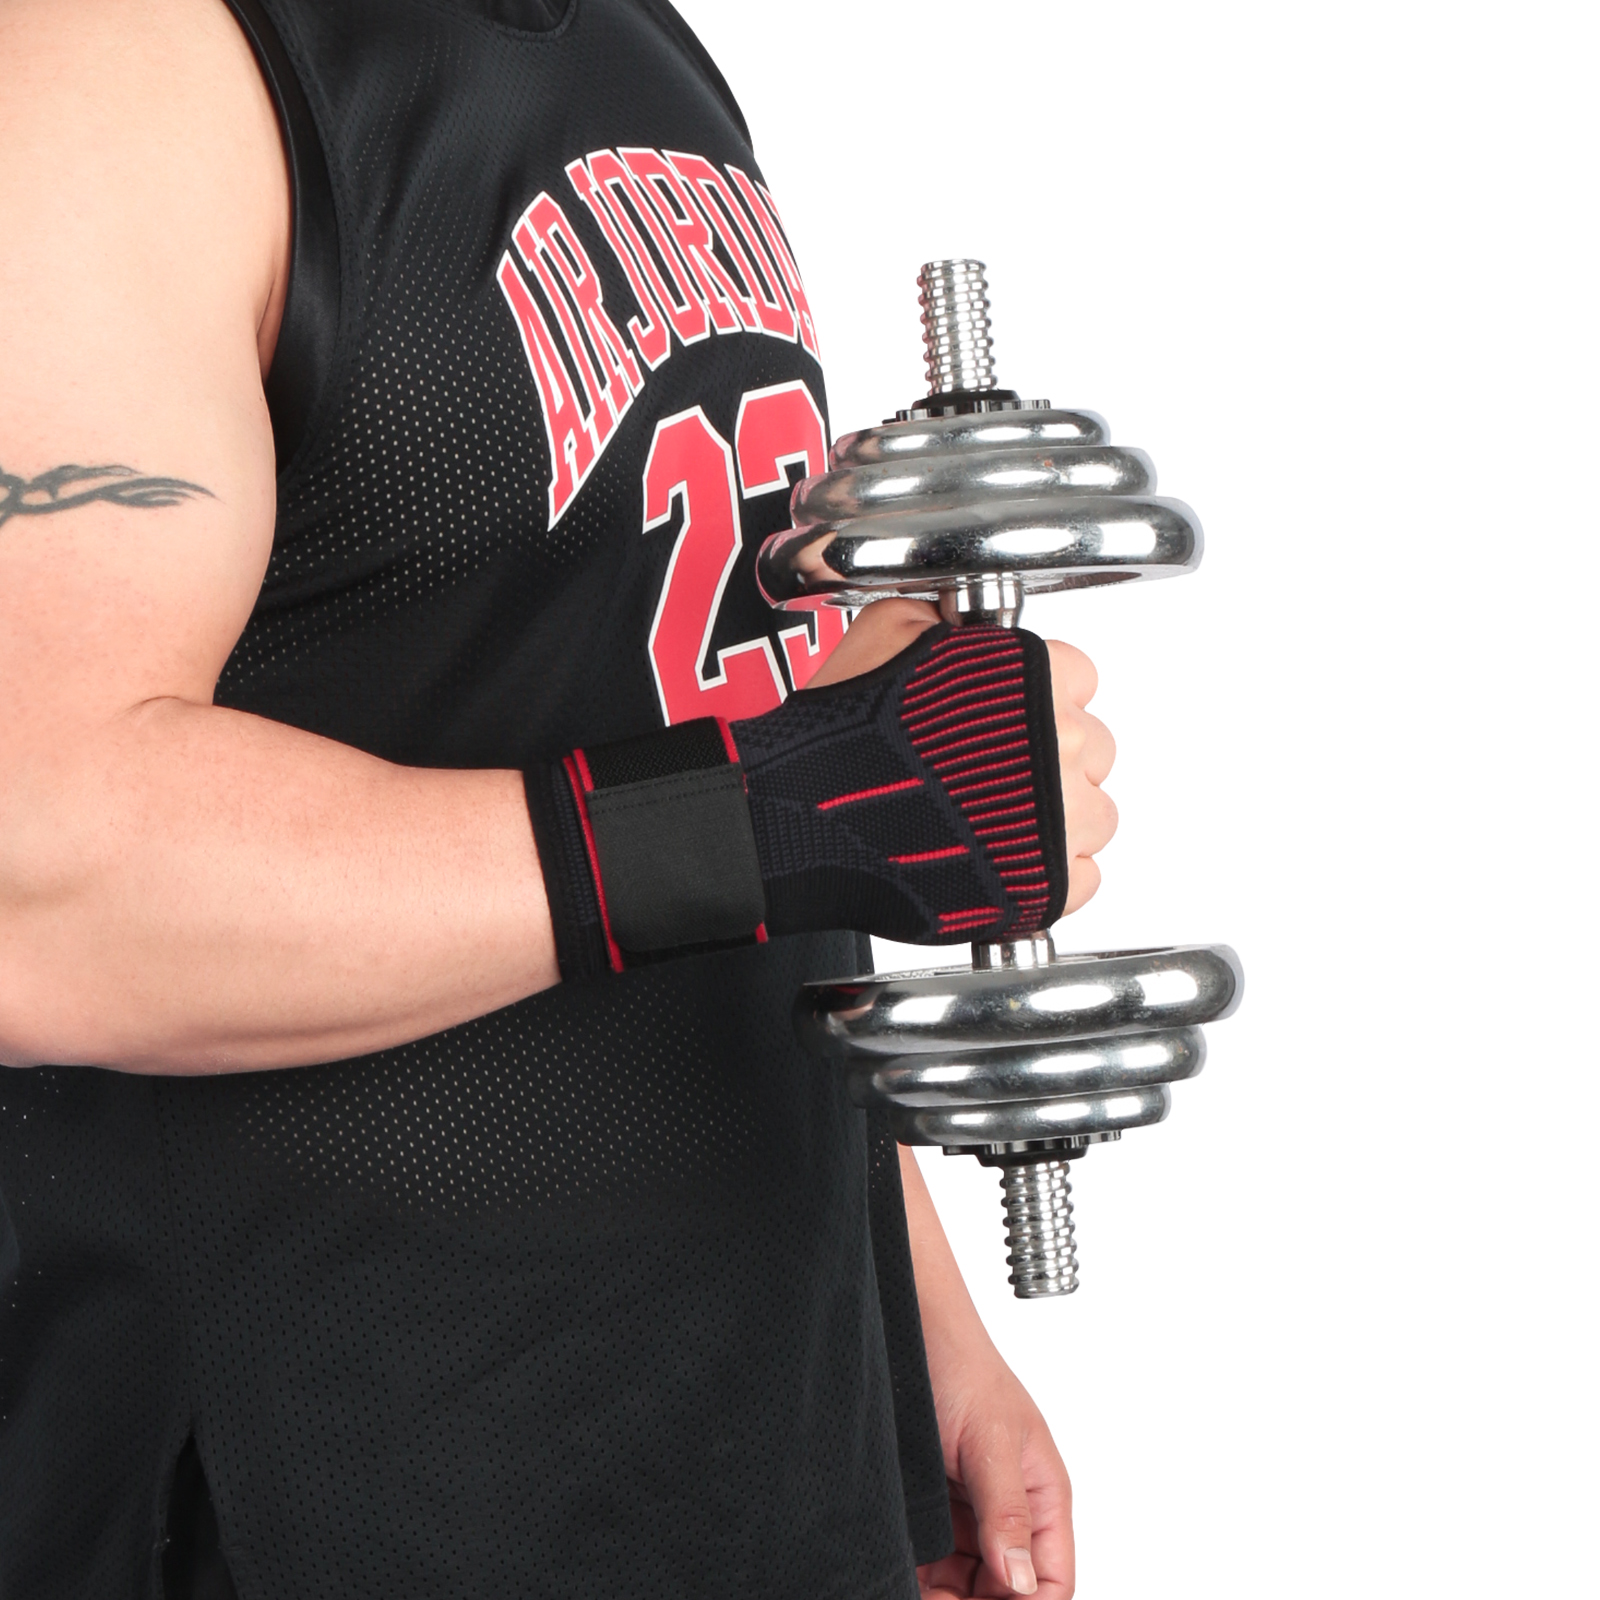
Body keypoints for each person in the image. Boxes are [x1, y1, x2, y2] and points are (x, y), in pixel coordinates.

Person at [0, 1, 1118, 1596]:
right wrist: (789, 806)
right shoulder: (120, 62)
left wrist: (916, 1327)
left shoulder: (639, 47)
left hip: (751, 1443)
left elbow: (706, 717)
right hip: (339, 1485)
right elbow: (42, 881)